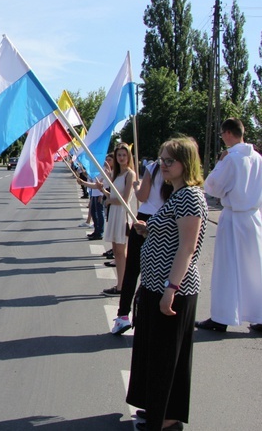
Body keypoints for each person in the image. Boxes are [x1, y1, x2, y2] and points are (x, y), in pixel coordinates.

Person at [126, 136, 208, 431]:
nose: (163, 164)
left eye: (169, 160)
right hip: (156, 286)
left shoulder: (189, 196)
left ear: (186, 163)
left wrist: (170, 290)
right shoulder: (175, 194)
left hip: (172, 291)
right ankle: (157, 411)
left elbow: (186, 247)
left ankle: (167, 420)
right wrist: (149, 230)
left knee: (167, 358)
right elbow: (171, 235)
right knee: (156, 354)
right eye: (161, 159)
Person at [197, 117, 262, 333]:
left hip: (233, 218)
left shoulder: (230, 158)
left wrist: (219, 163)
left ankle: (222, 316)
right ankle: (259, 316)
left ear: (227, 133)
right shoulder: (258, 158)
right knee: (255, 269)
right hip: (253, 217)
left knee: (226, 269)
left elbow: (212, 187)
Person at [111, 156, 171, 335]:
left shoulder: (153, 167)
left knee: (132, 269)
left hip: (145, 218)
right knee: (162, 270)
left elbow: (142, 196)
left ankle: (123, 316)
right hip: (168, 220)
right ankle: (158, 315)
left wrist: (138, 187)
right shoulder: (181, 170)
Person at [100, 143, 136, 296]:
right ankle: (120, 284)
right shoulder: (117, 174)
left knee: (121, 252)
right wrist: (103, 191)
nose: (121, 158)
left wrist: (109, 201)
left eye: (124, 155)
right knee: (116, 251)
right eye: (119, 155)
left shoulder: (130, 174)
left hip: (122, 214)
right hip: (114, 213)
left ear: (129, 157)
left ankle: (122, 286)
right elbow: (114, 196)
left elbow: (125, 199)